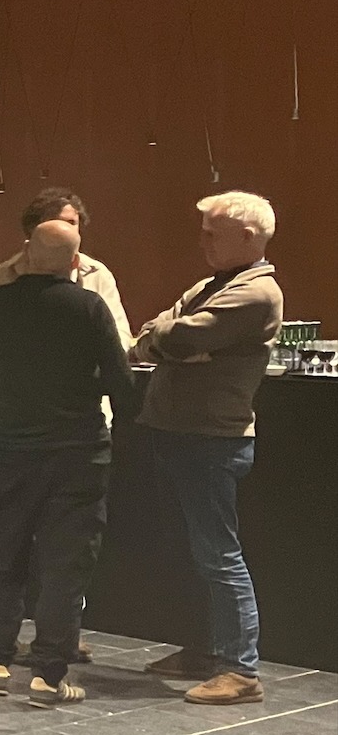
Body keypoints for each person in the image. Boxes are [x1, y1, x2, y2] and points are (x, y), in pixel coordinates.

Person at [0, 220, 133, 707]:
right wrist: (87, 389)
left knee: (4, 555)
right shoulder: (89, 306)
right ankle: (48, 675)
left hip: (14, 447)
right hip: (80, 452)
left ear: (26, 252)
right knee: (66, 565)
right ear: (76, 262)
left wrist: (5, 395)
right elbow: (122, 383)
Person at [129, 191, 282, 706]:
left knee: (219, 556)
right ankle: (206, 650)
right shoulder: (211, 285)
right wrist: (170, 342)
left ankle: (240, 669)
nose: (203, 241)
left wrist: (171, 344)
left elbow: (175, 338)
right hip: (180, 434)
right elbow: (157, 330)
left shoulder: (255, 293)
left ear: (248, 236)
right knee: (192, 552)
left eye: (213, 233)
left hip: (210, 441)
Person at [0, 188, 131, 346]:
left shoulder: (97, 274)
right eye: (54, 222)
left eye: (71, 223)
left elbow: (120, 335)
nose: (64, 229)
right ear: (33, 231)